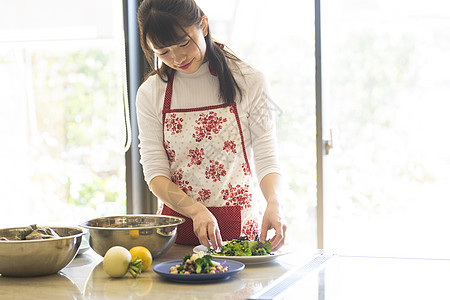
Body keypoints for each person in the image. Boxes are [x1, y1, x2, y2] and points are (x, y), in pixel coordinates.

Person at [136, 0, 287, 251]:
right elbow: (155, 173)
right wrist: (195, 210)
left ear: (203, 25)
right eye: (163, 52)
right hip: (178, 236)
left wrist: (275, 201)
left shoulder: (250, 80)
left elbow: (267, 156)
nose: (177, 57)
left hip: (242, 238)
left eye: (183, 43)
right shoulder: (151, 93)